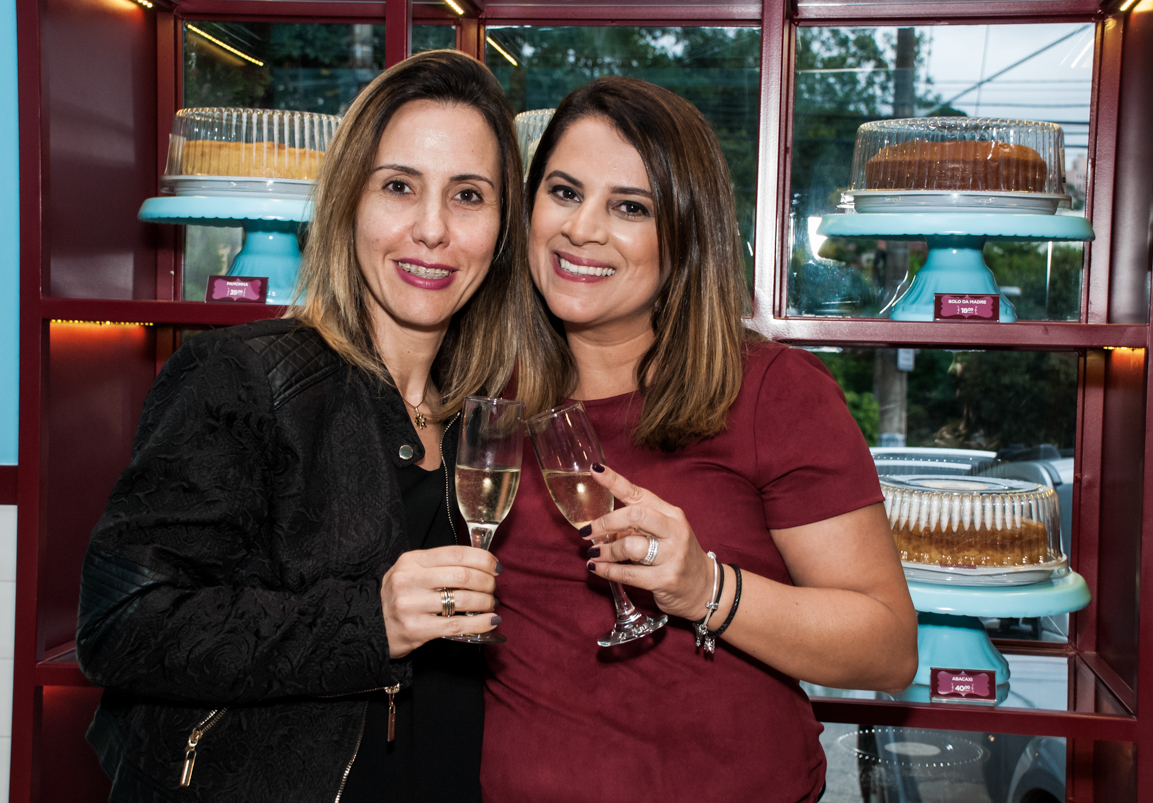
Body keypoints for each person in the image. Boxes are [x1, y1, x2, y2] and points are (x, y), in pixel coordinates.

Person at [76, 50, 535, 802]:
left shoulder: (483, 416)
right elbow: (121, 623)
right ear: (348, 200)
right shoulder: (244, 377)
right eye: (398, 186)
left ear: (502, 227)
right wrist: (369, 622)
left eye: (468, 196)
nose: (432, 229)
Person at [482, 76, 918, 803]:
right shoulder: (485, 393)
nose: (581, 228)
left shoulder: (773, 391)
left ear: (686, 233)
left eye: (630, 206)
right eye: (563, 191)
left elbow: (888, 648)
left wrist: (707, 588)